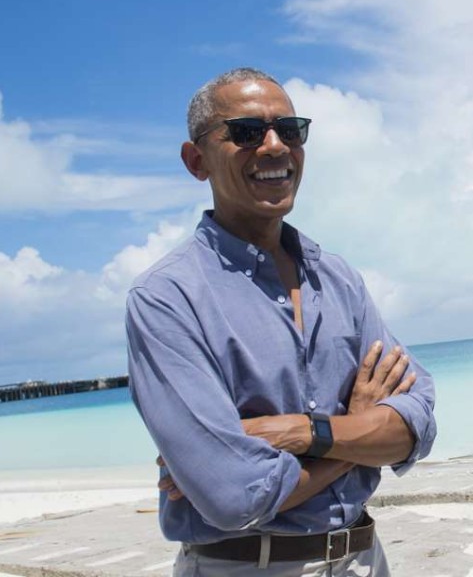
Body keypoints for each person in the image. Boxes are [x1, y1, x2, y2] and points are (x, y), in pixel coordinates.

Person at [126, 67, 436, 576]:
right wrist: (351, 439)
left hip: (364, 561)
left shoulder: (338, 279)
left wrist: (297, 432)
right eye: (246, 133)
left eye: (289, 131)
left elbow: (417, 423)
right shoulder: (166, 297)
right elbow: (234, 496)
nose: (274, 147)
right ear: (196, 160)